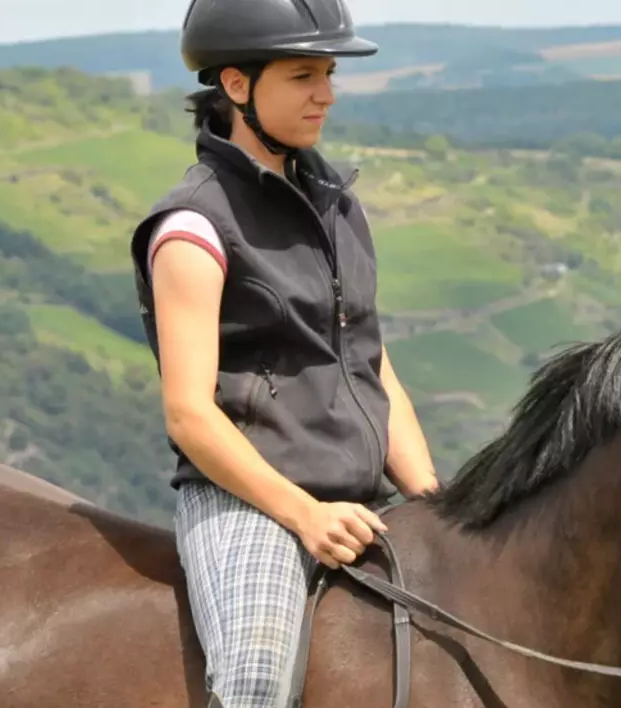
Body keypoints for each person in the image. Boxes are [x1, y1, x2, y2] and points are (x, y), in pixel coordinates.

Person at [125, 0, 440, 705]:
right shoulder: (192, 228)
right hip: (250, 506)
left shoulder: (337, 207)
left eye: (328, 73)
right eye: (303, 75)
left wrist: (431, 497)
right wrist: (303, 514)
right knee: (256, 678)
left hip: (362, 499)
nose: (325, 93)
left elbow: (370, 363)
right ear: (236, 86)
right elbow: (188, 415)